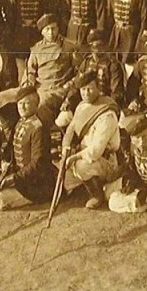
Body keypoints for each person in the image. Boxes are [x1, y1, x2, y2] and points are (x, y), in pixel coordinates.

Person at [60, 71, 121, 210]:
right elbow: (71, 129)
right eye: (83, 89)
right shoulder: (82, 106)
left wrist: (74, 157)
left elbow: (95, 151)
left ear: (98, 89)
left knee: (81, 167)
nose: (86, 93)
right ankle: (86, 185)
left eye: (90, 88)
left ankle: (97, 194)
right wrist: (66, 149)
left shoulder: (107, 113)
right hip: (85, 155)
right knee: (63, 175)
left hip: (105, 160)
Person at [0, 85, 56, 210]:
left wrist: (14, 179)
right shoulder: (20, 122)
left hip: (36, 181)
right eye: (19, 103)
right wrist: (6, 164)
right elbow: (13, 150)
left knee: (0, 199)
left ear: (36, 105)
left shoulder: (38, 128)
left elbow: (37, 164)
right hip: (23, 177)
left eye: (26, 103)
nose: (21, 107)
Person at [9, 0, 57, 80]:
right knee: (22, 72)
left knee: (39, 69)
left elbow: (51, 12)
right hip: (21, 34)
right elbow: (11, 14)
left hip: (39, 34)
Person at [22, 14, 75, 114]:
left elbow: (79, 70)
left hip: (56, 89)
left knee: (40, 104)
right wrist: (27, 86)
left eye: (53, 28)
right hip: (37, 88)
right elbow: (30, 71)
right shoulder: (36, 49)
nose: (51, 33)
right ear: (42, 31)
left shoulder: (68, 46)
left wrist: (70, 84)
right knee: (3, 98)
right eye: (47, 29)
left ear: (58, 28)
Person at [74, 29, 125, 107]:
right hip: (87, 101)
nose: (97, 50)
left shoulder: (112, 65)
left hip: (105, 103)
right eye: (93, 47)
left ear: (105, 47)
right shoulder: (86, 62)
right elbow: (78, 84)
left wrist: (106, 106)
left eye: (100, 46)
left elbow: (116, 92)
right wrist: (69, 100)